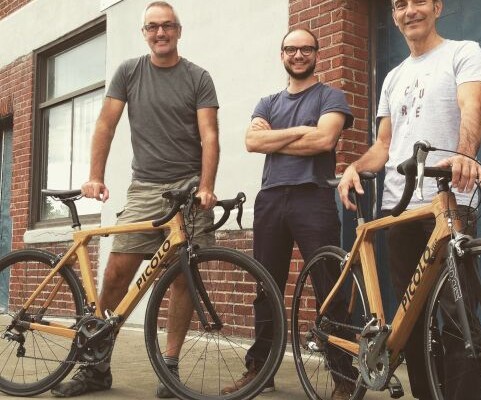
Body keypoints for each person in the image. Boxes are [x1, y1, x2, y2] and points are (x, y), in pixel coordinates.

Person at [50, 2, 219, 398]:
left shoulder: (198, 77)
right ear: (145, 33)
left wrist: (207, 185)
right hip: (145, 187)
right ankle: (95, 366)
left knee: (184, 278)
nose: (160, 33)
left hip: (190, 185)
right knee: (115, 275)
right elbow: (106, 124)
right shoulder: (130, 71)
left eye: (167, 26)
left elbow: (209, 135)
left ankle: (170, 367)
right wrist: (95, 176)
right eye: (152, 27)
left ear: (179, 30)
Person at [338, 0, 481, 399]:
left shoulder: (463, 52)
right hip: (399, 205)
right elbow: (384, 145)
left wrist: (464, 153)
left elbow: (471, 108)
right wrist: (356, 165)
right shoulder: (393, 77)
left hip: (450, 201)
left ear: (437, 7)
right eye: (399, 5)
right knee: (414, 322)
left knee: (459, 320)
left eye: (418, 1)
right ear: (393, 15)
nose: (409, 11)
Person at [220, 29, 355, 400]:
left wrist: (277, 137)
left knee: (329, 285)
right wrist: (301, 131)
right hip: (270, 199)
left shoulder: (332, 96)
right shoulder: (267, 102)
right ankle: (260, 372)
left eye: (305, 49)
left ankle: (345, 375)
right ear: (282, 54)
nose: (298, 54)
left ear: (316, 53)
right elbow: (251, 142)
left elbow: (325, 140)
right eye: (291, 49)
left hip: (313, 197)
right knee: (266, 288)